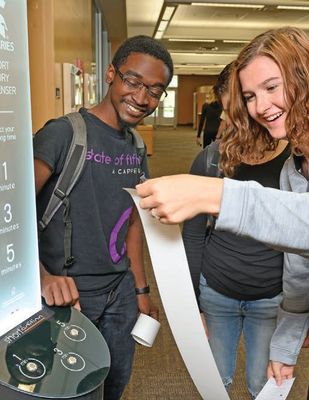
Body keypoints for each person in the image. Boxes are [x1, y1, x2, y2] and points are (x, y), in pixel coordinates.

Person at [136, 27, 309, 386]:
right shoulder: (296, 164)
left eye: (272, 87)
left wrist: (214, 195)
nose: (261, 107)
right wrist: (288, 339)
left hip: (266, 297)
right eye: (250, 96)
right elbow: (299, 266)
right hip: (222, 291)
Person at [33, 35, 173, 400]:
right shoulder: (63, 134)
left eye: (155, 92)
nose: (142, 99)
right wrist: (41, 275)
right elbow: (7, 212)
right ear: (111, 74)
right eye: (133, 81)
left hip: (119, 295)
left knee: (114, 386)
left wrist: (141, 290)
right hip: (68, 297)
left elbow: (132, 223)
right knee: (67, 391)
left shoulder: (136, 146)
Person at [183, 62, 290, 398]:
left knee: (264, 385)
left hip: (273, 297)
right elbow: (193, 234)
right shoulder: (210, 159)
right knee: (215, 383)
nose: (244, 114)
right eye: (236, 105)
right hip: (217, 292)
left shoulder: (297, 162)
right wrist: (193, 303)